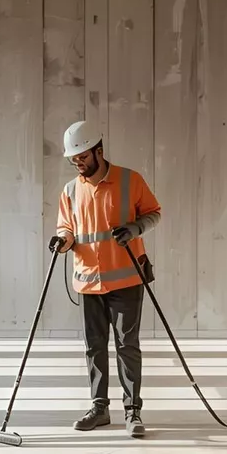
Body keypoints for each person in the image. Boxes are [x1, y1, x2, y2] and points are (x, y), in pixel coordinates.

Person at [51, 121, 161, 437]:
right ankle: (99, 408)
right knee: (94, 346)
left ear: (98, 150)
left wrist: (135, 229)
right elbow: (67, 228)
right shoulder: (71, 190)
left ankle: (133, 412)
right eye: (74, 159)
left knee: (127, 345)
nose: (78, 163)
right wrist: (62, 240)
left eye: (83, 157)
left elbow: (154, 212)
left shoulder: (130, 181)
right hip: (88, 281)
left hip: (126, 280)